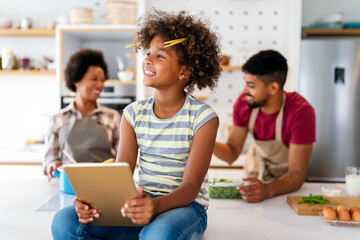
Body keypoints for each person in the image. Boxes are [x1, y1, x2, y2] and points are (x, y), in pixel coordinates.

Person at [51, 9, 221, 240]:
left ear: (185, 70)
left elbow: (190, 188)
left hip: (186, 208)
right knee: (65, 222)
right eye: (148, 53)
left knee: (159, 233)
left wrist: (155, 206)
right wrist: (92, 203)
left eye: (160, 56)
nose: (148, 60)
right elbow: (120, 175)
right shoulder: (133, 113)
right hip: (142, 202)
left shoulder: (203, 118)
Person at [213, 50, 316, 203]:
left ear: (273, 88)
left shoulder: (301, 112)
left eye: (251, 85)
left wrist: (268, 190)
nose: (244, 90)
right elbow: (232, 154)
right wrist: (206, 140)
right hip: (256, 179)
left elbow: (297, 174)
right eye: (245, 83)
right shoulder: (244, 104)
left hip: (287, 187)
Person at [43, 49, 121, 181]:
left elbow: (123, 161)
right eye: (94, 79)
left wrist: (118, 165)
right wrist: (52, 165)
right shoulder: (57, 119)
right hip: (68, 185)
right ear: (76, 80)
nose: (101, 85)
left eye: (102, 80)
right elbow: (49, 162)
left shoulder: (113, 117)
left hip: (105, 184)